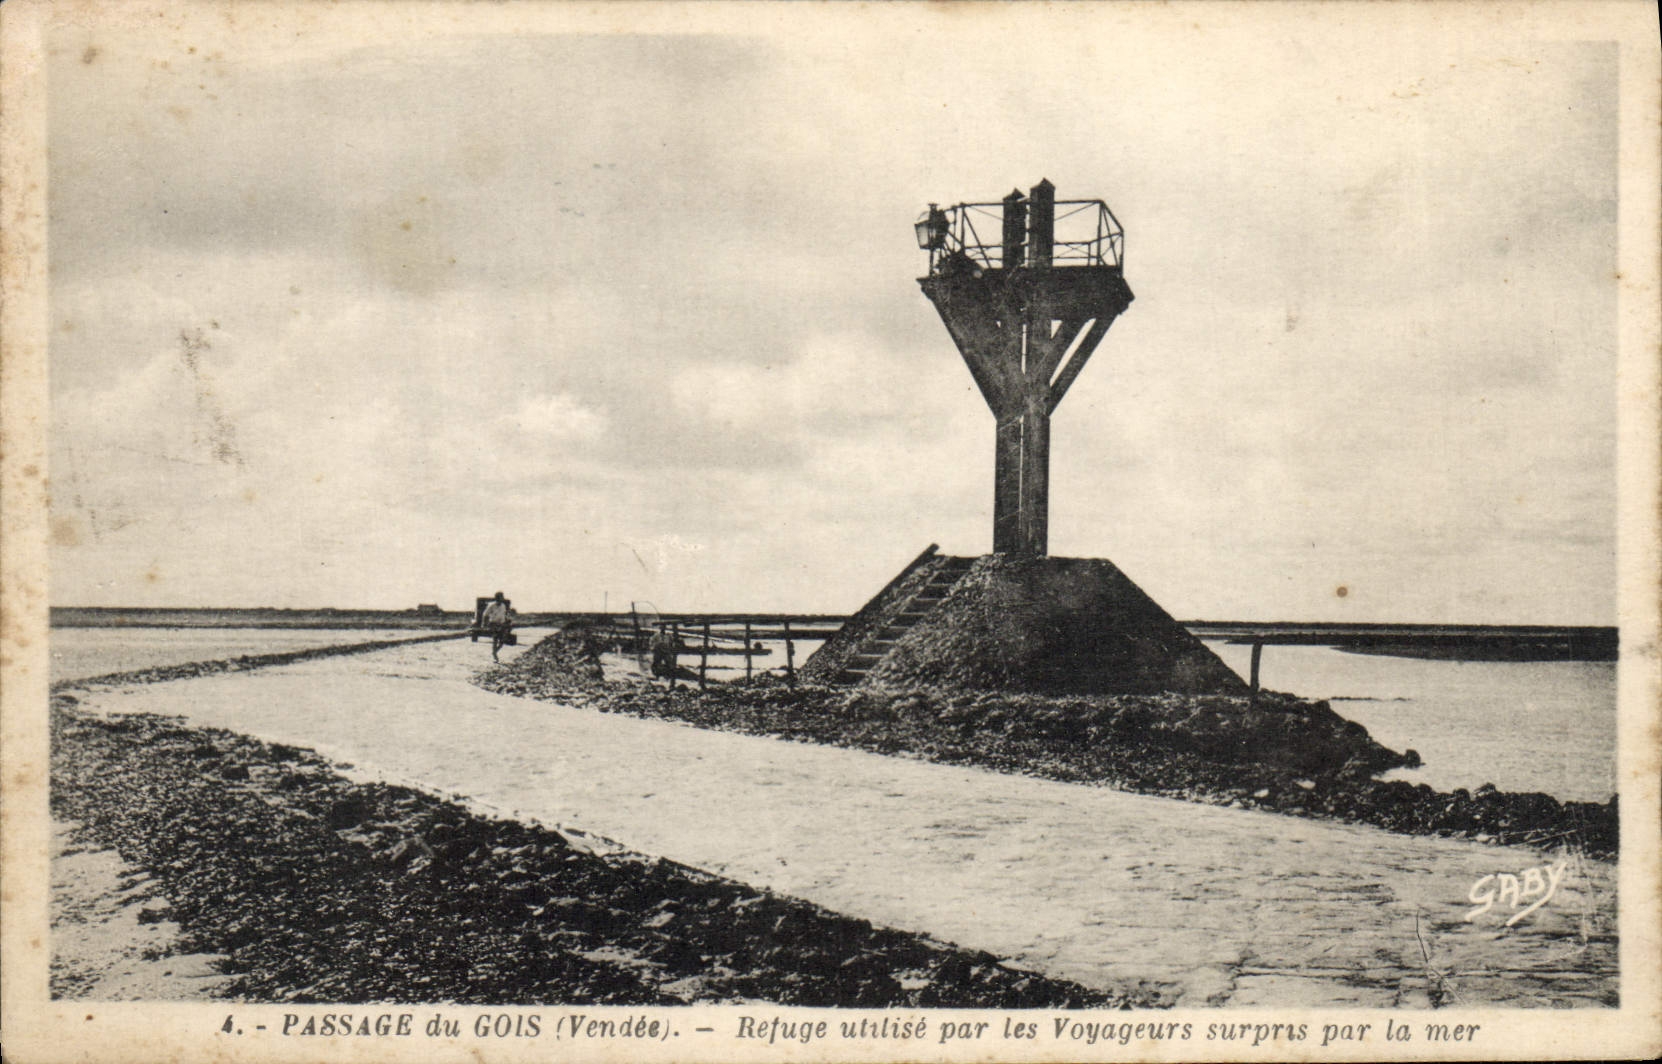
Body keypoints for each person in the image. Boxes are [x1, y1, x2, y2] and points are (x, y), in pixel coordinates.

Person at [482, 591, 512, 662]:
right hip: (493, 624)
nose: (501, 599)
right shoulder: (491, 605)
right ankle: (495, 656)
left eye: (502, 597)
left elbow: (504, 614)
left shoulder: (503, 605)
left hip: (502, 624)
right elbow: (485, 614)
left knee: (503, 641)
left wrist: (507, 620)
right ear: (496, 598)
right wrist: (484, 623)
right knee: (495, 640)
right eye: (500, 597)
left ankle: (495, 652)